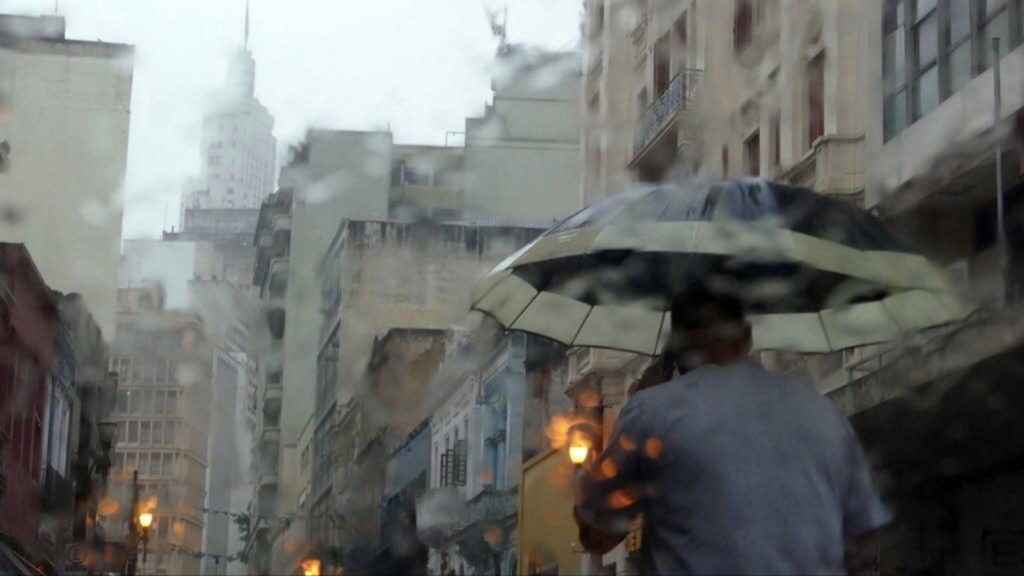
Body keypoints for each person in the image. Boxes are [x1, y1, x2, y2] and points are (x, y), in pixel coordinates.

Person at [573, 287, 889, 575]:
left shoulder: (654, 410)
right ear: (747, 337)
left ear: (677, 345)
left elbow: (596, 535)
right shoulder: (820, 411)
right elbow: (863, 535)